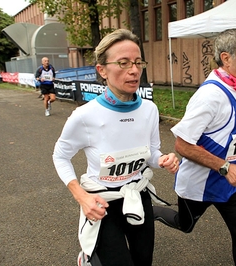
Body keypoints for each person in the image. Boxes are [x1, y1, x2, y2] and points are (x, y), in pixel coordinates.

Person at [52, 29, 180, 266]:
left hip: (137, 195)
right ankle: (89, 259)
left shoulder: (149, 109)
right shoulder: (85, 116)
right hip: (102, 201)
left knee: (143, 261)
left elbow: (151, 152)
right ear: (102, 70)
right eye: (123, 63)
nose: (133, 70)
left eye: (137, 62)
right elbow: (60, 156)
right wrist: (81, 196)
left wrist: (162, 159)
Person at [153, 28, 236, 266]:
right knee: (185, 224)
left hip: (226, 183)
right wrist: (226, 167)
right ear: (227, 58)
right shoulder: (211, 95)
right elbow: (182, 144)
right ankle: (153, 211)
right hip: (200, 185)